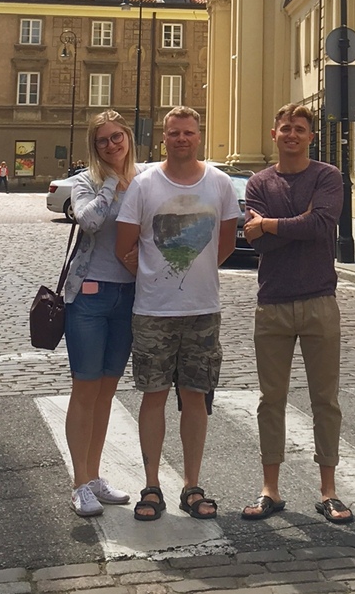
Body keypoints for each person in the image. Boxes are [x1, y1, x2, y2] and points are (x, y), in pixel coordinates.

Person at [115, 106, 240, 522]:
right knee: (153, 396)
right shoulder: (144, 184)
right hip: (153, 311)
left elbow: (225, 244)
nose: (181, 139)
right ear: (163, 137)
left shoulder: (219, 183)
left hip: (203, 309)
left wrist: (191, 275)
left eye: (188, 132)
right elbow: (124, 247)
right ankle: (151, 485)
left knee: (195, 397)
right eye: (174, 133)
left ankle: (192, 485)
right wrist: (156, 277)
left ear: (198, 135)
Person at [238, 104, 351, 524]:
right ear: (274, 134)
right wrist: (293, 224)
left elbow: (321, 226)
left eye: (300, 129)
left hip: (320, 300)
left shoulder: (327, 176)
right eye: (285, 128)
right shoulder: (258, 182)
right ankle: (270, 488)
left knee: (325, 399)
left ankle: (329, 490)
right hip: (273, 302)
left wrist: (269, 224)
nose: (292, 135)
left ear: (310, 137)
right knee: (271, 400)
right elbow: (258, 244)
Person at [64, 110, 141, 517]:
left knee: (107, 392)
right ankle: (80, 483)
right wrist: (112, 180)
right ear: (94, 147)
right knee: (85, 388)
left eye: (117, 137)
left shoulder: (145, 179)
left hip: (128, 297)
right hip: (89, 298)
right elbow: (90, 221)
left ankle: (94, 476)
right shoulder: (85, 182)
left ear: (128, 136)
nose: (111, 145)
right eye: (102, 141)